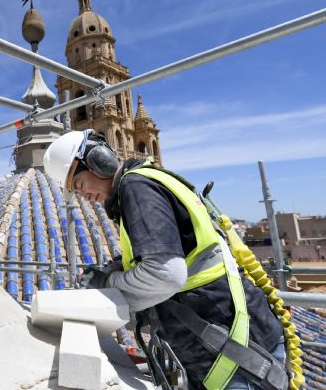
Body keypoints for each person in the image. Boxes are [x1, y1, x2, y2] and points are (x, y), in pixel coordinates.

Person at [43, 129, 288, 390]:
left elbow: (164, 275)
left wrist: (108, 282)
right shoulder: (149, 180)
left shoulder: (136, 187)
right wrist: (120, 266)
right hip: (226, 350)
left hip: (235, 356)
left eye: (79, 184)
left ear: (98, 161)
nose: (85, 196)